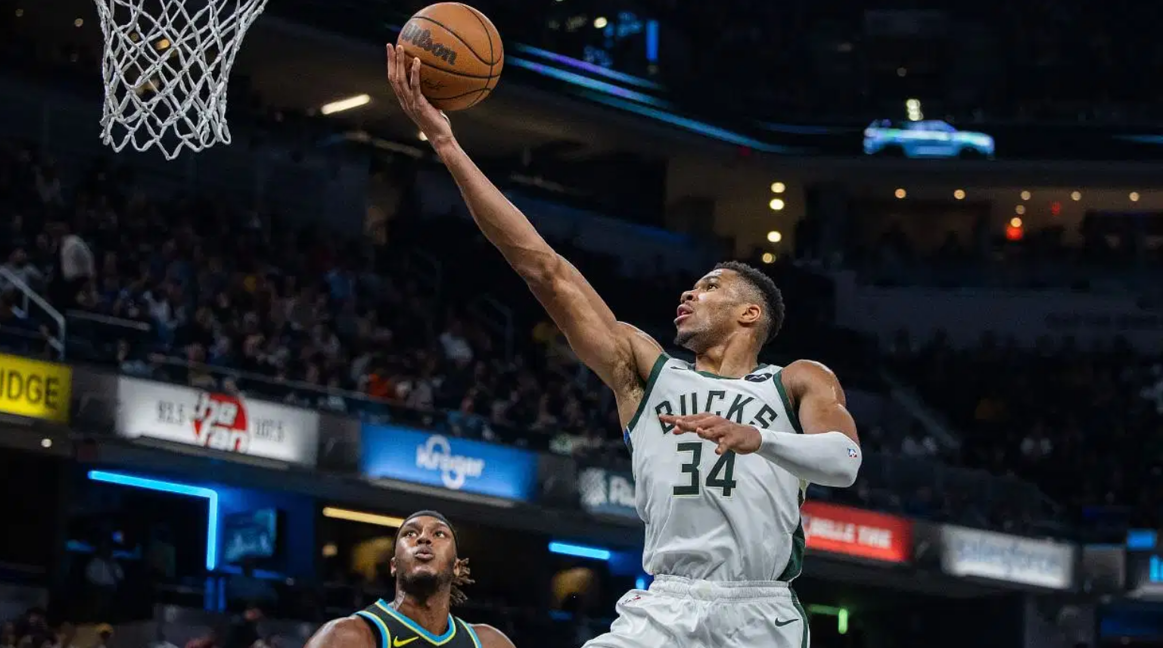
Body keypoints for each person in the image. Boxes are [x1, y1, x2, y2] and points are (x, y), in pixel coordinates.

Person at [386, 45, 863, 648]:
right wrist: (448, 145)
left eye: (709, 287)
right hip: (662, 605)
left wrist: (761, 439)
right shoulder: (646, 369)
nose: (688, 296)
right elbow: (545, 270)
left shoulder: (795, 381)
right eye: (689, 287)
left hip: (757, 610)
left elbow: (846, 464)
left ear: (751, 313)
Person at [303, 511, 514, 648]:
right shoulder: (346, 638)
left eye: (439, 534)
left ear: (457, 567)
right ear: (393, 565)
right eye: (410, 534)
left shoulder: (489, 643)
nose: (423, 538)